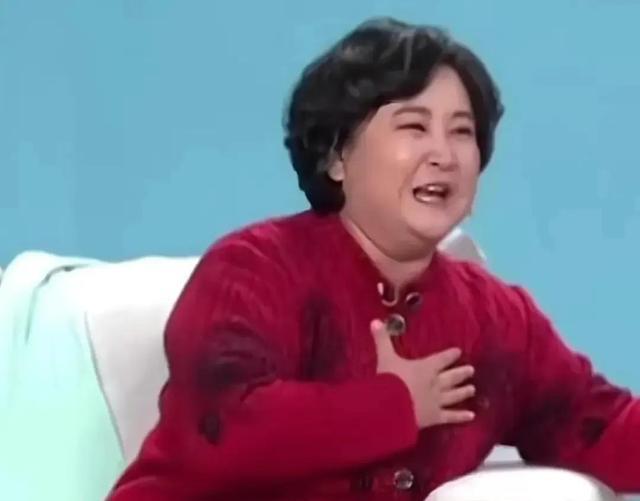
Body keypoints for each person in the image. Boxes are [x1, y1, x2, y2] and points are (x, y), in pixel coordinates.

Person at [108, 17, 640, 500]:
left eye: (462, 132)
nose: (444, 155)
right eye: (414, 126)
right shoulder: (251, 269)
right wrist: (393, 404)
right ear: (337, 156)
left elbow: (594, 427)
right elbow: (225, 429)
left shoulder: (500, 320)